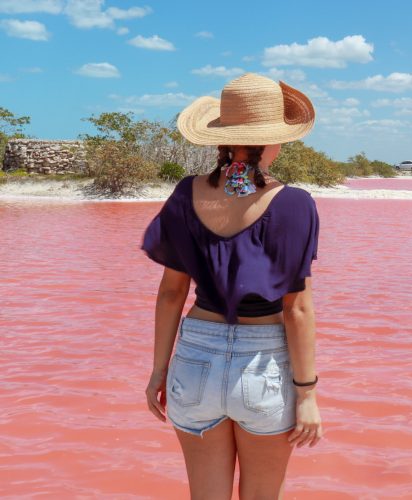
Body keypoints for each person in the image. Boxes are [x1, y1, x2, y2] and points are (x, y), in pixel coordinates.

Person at [140, 73, 322, 499]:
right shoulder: (294, 204)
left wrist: (158, 371)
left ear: (221, 138)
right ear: (271, 140)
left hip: (195, 359)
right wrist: (307, 393)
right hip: (264, 365)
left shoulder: (186, 195)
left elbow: (170, 294)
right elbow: (296, 310)